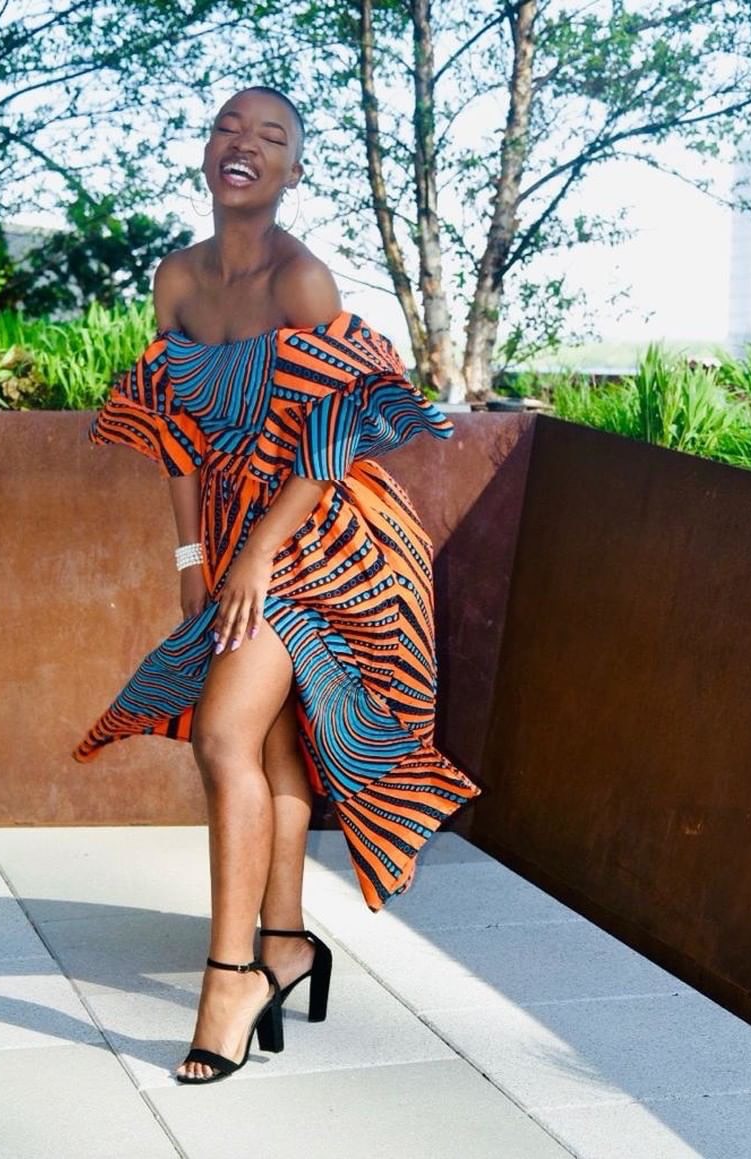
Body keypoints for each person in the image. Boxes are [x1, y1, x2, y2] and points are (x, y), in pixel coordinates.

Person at [73, 86, 481, 1084]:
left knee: (222, 735)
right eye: (228, 126)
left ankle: (231, 980)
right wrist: (193, 558)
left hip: (324, 535)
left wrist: (253, 555)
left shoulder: (303, 280)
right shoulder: (178, 277)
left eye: (271, 136)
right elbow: (174, 426)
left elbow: (336, 431)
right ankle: (287, 942)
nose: (244, 144)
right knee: (269, 742)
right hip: (232, 533)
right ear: (207, 151)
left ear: (294, 170)